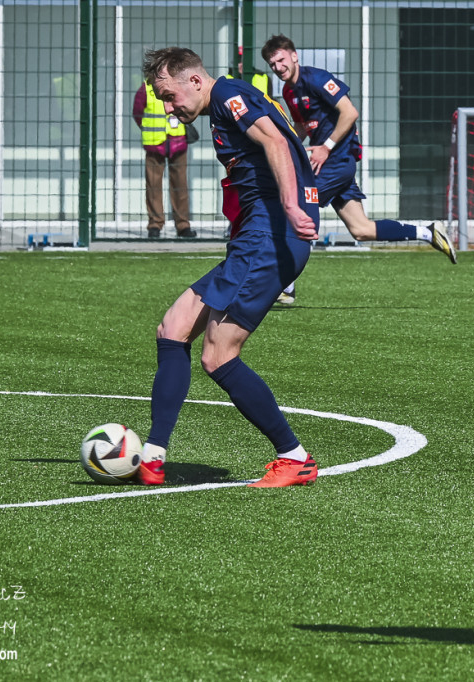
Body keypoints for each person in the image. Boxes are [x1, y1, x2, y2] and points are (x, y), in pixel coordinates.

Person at [137, 46, 320, 488]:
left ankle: (294, 458)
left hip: (271, 236)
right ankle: (152, 457)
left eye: (168, 95)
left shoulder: (227, 97)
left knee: (219, 356)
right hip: (255, 238)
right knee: (173, 327)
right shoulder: (223, 106)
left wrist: (294, 207)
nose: (167, 106)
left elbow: (275, 141)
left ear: (195, 81)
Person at [261, 35, 457, 287]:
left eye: (281, 60)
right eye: (272, 64)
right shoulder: (289, 90)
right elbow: (300, 126)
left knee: (294, 206)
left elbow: (350, 112)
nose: (278, 68)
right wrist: (286, 148)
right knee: (361, 229)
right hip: (329, 165)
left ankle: (285, 285)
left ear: (294, 56)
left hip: (337, 161)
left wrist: (326, 147)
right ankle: (428, 232)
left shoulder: (317, 78)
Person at [132, 81, 196, 239]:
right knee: (153, 186)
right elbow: (138, 113)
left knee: (180, 185)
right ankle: (155, 225)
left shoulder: (178, 86)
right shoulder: (145, 89)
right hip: (155, 143)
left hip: (177, 141)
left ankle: (183, 225)